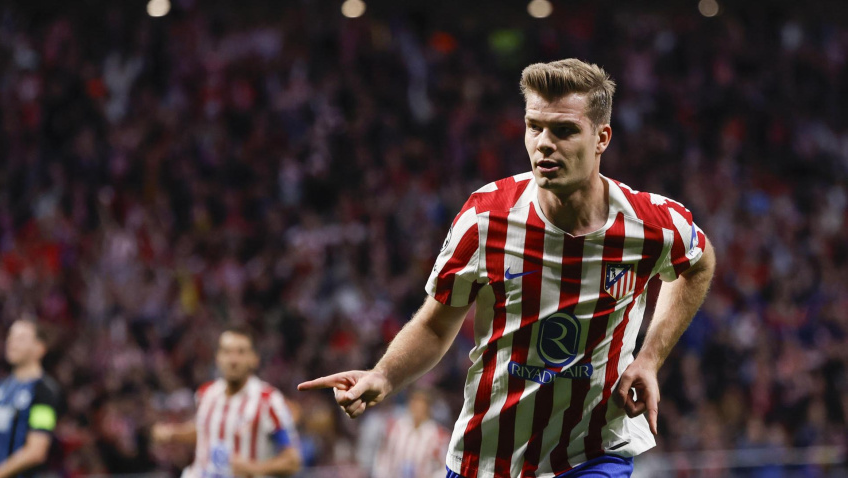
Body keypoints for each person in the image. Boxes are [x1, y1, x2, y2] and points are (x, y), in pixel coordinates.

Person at [299, 58, 716, 478]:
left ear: (601, 138)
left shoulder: (651, 223)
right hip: (485, 458)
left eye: (565, 130)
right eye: (534, 126)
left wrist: (649, 358)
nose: (544, 143)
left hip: (592, 454)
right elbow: (435, 324)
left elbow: (698, 263)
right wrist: (384, 376)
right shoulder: (486, 217)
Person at [152, 326, 301, 477]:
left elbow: (292, 461)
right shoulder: (205, 394)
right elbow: (206, 430)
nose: (233, 360)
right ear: (218, 357)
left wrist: (253, 468)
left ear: (254, 359)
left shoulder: (268, 401)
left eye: (241, 352)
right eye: (227, 352)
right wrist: (172, 434)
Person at [0, 320, 60, 478]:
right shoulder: (1, 388)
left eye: (21, 338)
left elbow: (36, 451)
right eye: (10, 337)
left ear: (40, 348)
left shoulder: (44, 392)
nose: (12, 343)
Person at [370, 389, 451, 478]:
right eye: (415, 403)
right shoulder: (395, 427)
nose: (418, 409)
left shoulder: (438, 435)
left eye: (422, 405)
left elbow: (444, 467)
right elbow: (383, 456)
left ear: (428, 408)